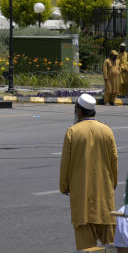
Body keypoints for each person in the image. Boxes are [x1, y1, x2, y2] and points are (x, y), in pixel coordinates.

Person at [60, 93, 118, 251]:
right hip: (105, 201)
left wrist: (64, 186)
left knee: (86, 248)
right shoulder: (107, 131)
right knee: (112, 246)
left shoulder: (72, 132)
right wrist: (111, 184)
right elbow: (114, 163)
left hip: (82, 202)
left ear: (79, 111)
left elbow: (65, 164)